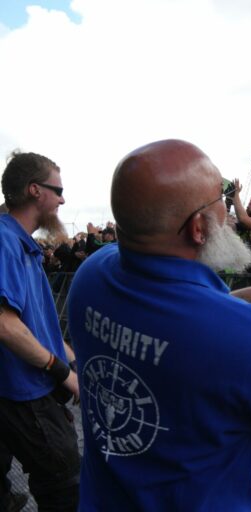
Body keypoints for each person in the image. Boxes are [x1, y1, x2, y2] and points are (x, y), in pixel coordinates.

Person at [66, 139, 251, 511]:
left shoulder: (90, 277)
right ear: (198, 228)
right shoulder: (244, 334)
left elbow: (177, 324)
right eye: (220, 198)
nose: (227, 212)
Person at [0, 151, 80, 511]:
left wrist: (75, 361)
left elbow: (36, 327)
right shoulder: (4, 241)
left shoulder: (21, 245)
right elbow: (5, 324)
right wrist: (61, 371)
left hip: (24, 390)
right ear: (35, 190)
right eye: (57, 190)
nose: (62, 200)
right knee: (68, 484)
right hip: (24, 392)